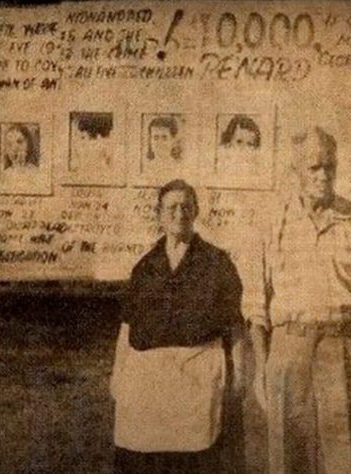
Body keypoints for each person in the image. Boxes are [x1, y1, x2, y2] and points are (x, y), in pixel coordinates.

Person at [246, 126, 351, 473]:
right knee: (287, 455)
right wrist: (263, 367)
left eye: (330, 166)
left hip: (342, 349)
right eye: (314, 167)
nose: (323, 175)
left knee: (346, 459)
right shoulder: (271, 223)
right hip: (288, 349)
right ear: (296, 172)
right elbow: (256, 307)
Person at [110, 179, 244, 474]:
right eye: (171, 208)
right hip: (149, 377)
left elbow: (234, 326)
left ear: (196, 212)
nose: (179, 213)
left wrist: (239, 375)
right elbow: (127, 326)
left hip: (197, 373)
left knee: (193, 458)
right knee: (144, 455)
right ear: (159, 215)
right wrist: (117, 375)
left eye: (186, 207)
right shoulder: (145, 268)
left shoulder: (216, 263)